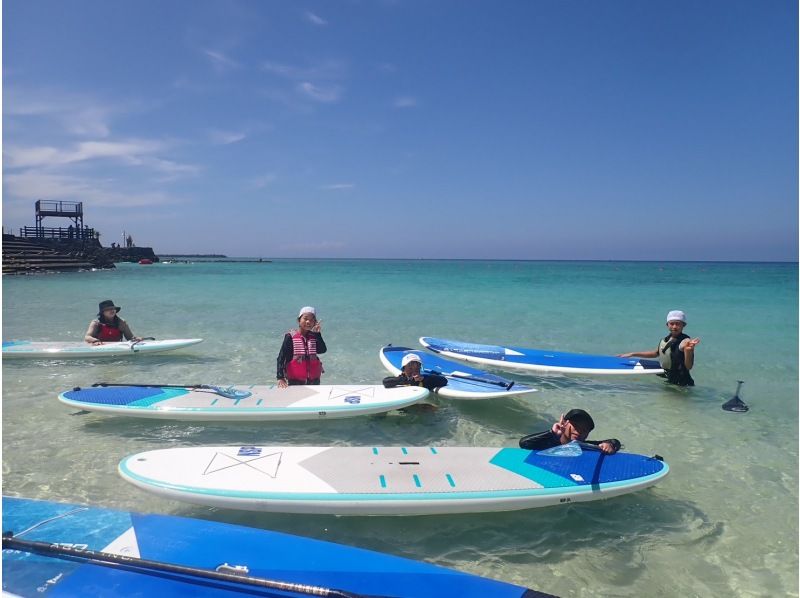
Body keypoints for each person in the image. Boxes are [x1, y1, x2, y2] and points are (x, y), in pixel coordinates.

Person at [619, 309, 700, 387]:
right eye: (672, 323)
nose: (674, 326)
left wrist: (688, 350)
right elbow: (656, 353)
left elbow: (689, 366)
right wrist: (633, 354)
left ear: (684, 325)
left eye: (678, 324)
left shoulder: (685, 341)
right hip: (671, 381)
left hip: (683, 384)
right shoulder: (665, 340)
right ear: (667, 325)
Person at [519, 409, 621, 454]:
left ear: (587, 434)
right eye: (575, 426)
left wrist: (610, 445)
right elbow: (523, 443)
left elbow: (615, 442)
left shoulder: (583, 446)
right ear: (564, 424)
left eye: (584, 430)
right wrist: (552, 432)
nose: (578, 432)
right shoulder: (549, 442)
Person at [277, 306, 327, 388]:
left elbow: (322, 350)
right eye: (305, 318)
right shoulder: (290, 337)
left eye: (312, 320)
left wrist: (318, 334)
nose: (308, 322)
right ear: (298, 320)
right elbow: (281, 357)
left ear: (315, 322)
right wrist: (280, 377)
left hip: (314, 381)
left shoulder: (314, 337)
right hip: (295, 381)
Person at [382, 353, 448, 391]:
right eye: (410, 368)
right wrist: (405, 381)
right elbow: (385, 382)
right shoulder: (400, 379)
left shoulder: (424, 380)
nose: (413, 371)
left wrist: (423, 378)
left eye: (417, 369)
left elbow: (444, 381)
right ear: (403, 370)